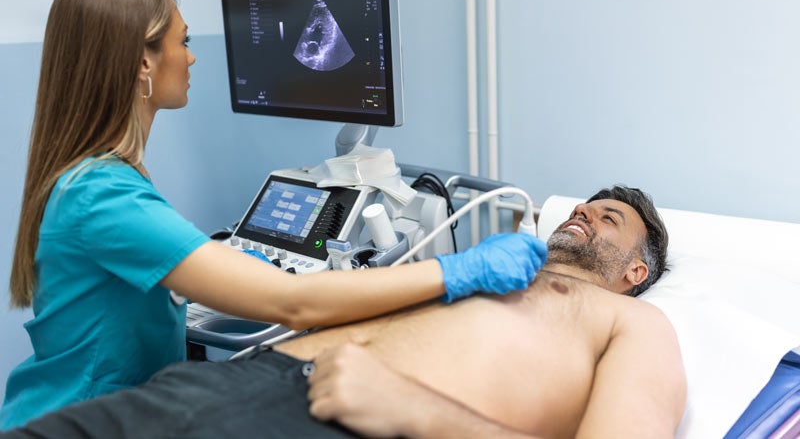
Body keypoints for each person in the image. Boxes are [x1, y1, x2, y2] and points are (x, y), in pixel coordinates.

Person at [0, 0, 546, 430]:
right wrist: (458, 271)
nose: (191, 58)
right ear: (143, 62)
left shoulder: (99, 175)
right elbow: (292, 303)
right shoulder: (100, 193)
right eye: (183, 42)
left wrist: (221, 269)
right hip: (77, 422)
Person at [0, 185, 686, 438]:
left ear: (636, 269)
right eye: (581, 203)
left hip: (346, 421)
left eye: (608, 215)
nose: (581, 212)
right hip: (231, 381)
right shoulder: (493, 260)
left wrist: (415, 408)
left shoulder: (635, 324)